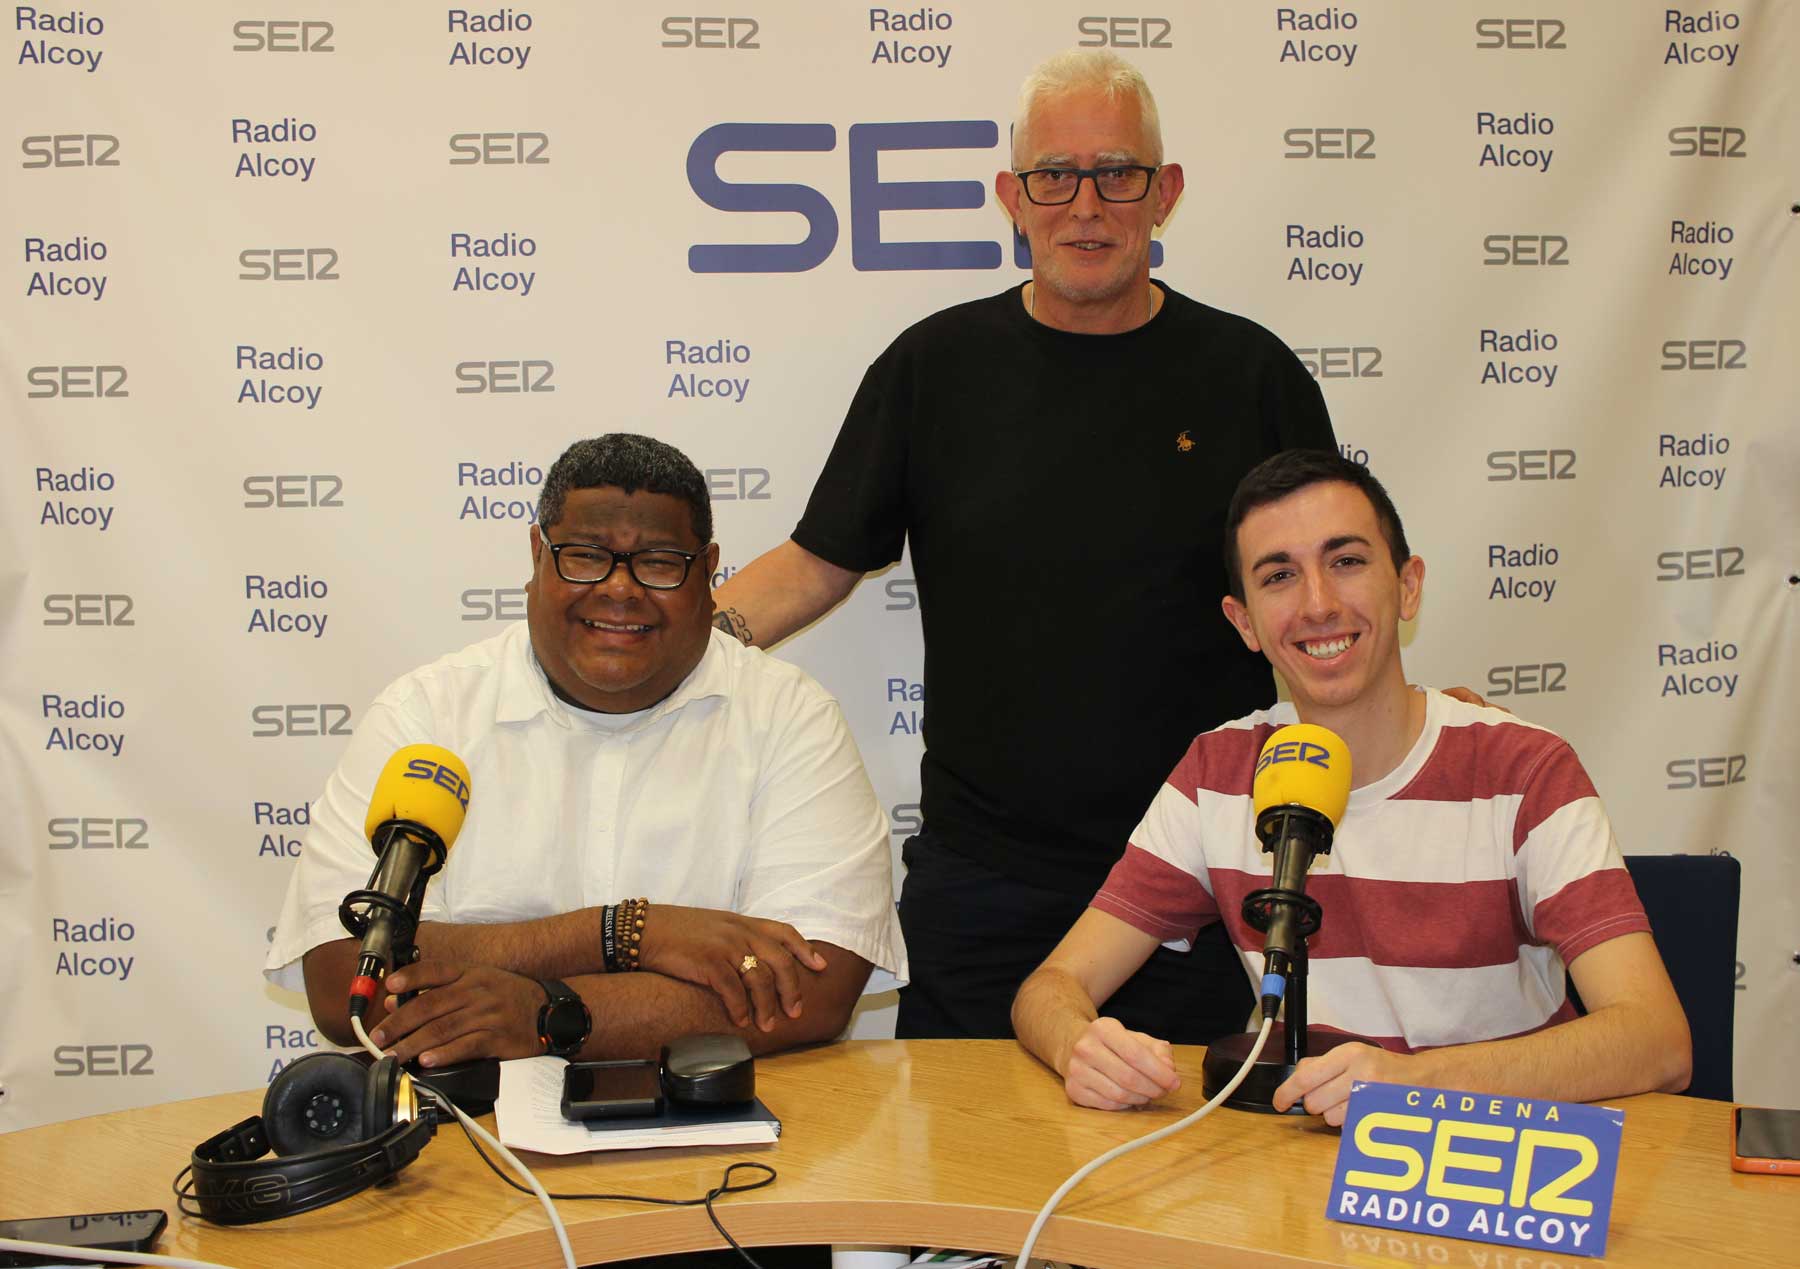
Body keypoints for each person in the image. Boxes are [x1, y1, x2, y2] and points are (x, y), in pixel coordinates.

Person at [711, 48, 1334, 1043]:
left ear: (1163, 193)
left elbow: (1322, 602)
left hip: (1203, 871)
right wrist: (668, 644)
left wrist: (1411, 721)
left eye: (1117, 174)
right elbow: (819, 559)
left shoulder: (1252, 375)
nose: (1085, 205)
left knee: (1199, 1188)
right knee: (967, 1177)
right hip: (984, 887)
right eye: (1054, 176)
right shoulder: (933, 369)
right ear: (1013, 196)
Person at [1012, 449, 1692, 1123]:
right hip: (1309, 1176)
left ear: (1409, 585)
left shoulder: (1524, 766)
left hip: (1503, 1173)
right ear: (1244, 622)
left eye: (1346, 561)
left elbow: (1656, 1038)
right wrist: (1081, 1045)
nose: (1318, 603)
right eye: (1279, 576)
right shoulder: (1216, 774)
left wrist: (1411, 1083)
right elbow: (1051, 986)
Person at [266, 434, 906, 1069]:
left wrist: (545, 1015)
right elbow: (343, 982)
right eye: (585, 556)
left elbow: (814, 994)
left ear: (709, 572)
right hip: (463, 1135)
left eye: (658, 562)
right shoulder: (425, 717)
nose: (620, 590)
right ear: (537, 555)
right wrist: (625, 933)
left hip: (736, 1143)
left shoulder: (790, 717)